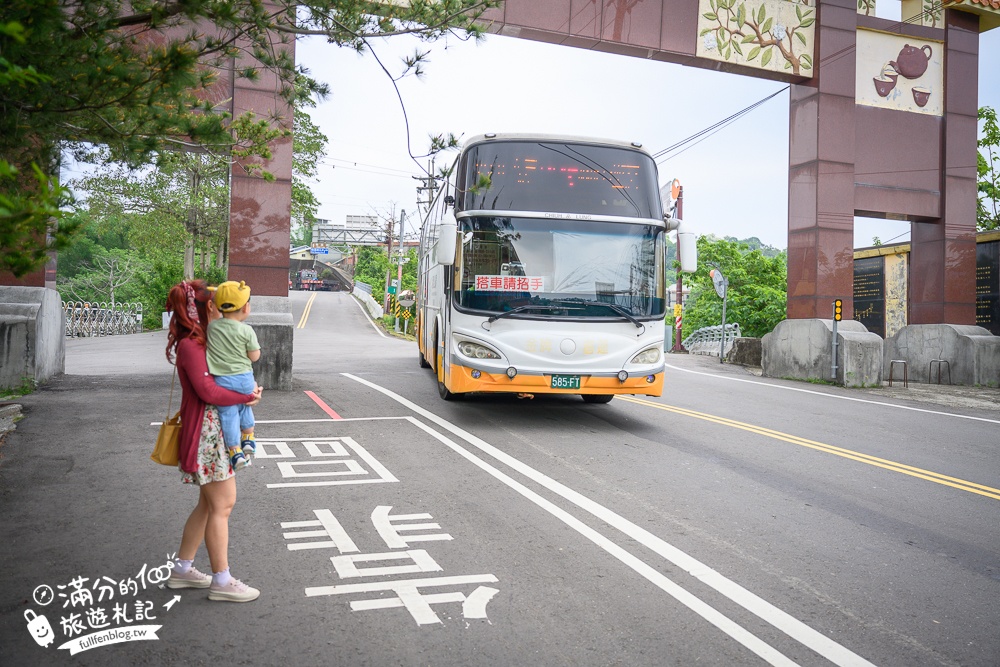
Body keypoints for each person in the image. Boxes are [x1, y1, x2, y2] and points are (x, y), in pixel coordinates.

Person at [163, 279, 263, 603]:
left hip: (215, 429)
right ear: (208, 307)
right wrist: (245, 394)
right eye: (216, 302)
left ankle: (182, 569)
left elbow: (230, 374)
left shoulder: (205, 339)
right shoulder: (192, 345)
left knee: (208, 505)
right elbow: (208, 392)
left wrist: (246, 393)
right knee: (223, 504)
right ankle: (221, 579)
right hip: (206, 433)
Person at [206, 280, 262, 469]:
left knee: (229, 414)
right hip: (244, 380)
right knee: (246, 405)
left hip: (221, 382)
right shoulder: (246, 330)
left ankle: (235, 451)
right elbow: (255, 357)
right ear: (246, 307)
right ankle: (248, 438)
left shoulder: (212, 328)